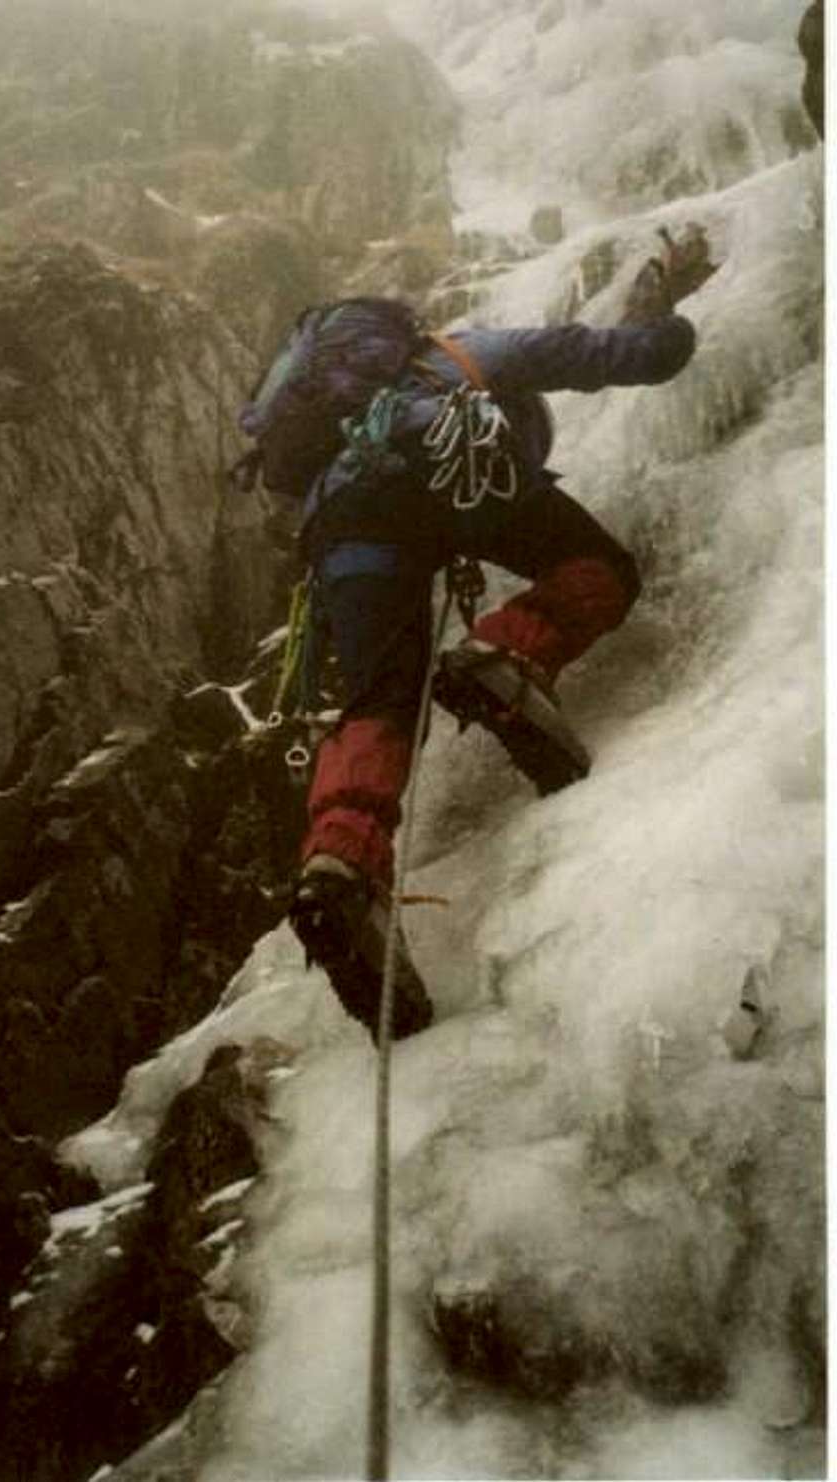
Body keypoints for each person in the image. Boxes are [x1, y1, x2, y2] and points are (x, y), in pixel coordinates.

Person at [288, 229, 714, 1041]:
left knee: (379, 701)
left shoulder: (334, 433)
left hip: (343, 526)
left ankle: (339, 860)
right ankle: (508, 653)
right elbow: (622, 356)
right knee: (599, 566)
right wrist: (671, 322)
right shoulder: (465, 353)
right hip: (448, 482)